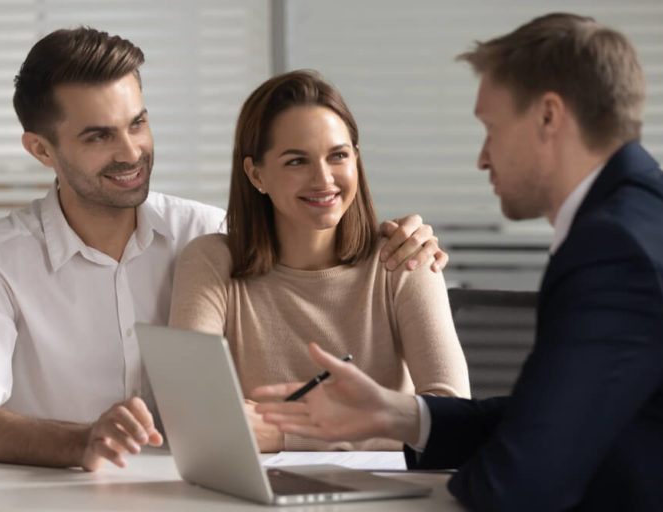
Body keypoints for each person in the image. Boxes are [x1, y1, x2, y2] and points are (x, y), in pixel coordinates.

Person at [0, 28, 447, 471]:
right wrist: (78, 442)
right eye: (98, 136)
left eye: (138, 123)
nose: (131, 152)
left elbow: (314, 230)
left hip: (195, 488)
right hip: (58, 493)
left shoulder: (209, 234)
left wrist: (408, 243)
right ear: (41, 149)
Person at [254, 13, 663, 511]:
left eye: (491, 128)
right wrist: (396, 414)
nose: (481, 157)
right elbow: (546, 420)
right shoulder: (651, 214)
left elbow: (519, 484)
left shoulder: (614, 249)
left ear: (548, 117)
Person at [168, 70, 470, 452]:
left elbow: (450, 417)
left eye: (338, 156)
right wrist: (378, 430)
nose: (324, 179)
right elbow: (194, 414)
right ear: (256, 173)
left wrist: (282, 433)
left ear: (356, 161)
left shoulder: (402, 259)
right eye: (297, 161)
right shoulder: (212, 262)